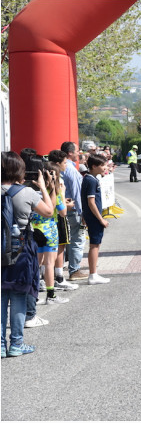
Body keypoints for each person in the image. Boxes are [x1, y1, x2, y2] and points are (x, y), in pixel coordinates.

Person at [2, 151, 54, 357]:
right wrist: (42, 186)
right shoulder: (26, 193)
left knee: (1, 296)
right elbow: (49, 212)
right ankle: (16, 343)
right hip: (20, 251)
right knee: (18, 296)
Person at [31, 162, 70, 305]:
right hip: (50, 229)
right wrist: (62, 192)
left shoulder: (32, 191)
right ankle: (51, 295)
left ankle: (33, 295)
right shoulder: (54, 192)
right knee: (49, 263)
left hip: (34, 228)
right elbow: (63, 212)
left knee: (36, 263)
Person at [45, 150, 78, 292]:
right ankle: (58, 278)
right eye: (65, 163)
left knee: (48, 252)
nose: (66, 165)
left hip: (47, 220)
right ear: (57, 164)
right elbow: (62, 209)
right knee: (60, 246)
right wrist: (65, 202)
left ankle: (48, 279)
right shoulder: (57, 182)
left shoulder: (44, 181)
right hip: (56, 218)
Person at [60, 142, 88, 282]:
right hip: (73, 210)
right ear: (70, 153)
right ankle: (74, 270)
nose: (79, 153)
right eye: (77, 150)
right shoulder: (71, 170)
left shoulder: (62, 168)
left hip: (64, 209)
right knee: (77, 240)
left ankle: (63, 270)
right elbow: (77, 193)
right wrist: (83, 213)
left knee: (66, 241)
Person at [81, 154, 110, 284]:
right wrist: (100, 219)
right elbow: (91, 202)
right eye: (102, 165)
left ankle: (94, 273)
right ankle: (93, 274)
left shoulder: (89, 178)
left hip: (90, 216)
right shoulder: (91, 180)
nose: (105, 167)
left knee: (95, 244)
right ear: (94, 166)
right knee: (95, 245)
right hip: (94, 218)